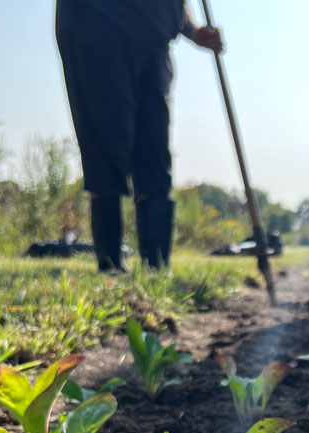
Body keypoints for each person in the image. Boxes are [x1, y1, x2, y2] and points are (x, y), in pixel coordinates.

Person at [55, 0, 223, 271]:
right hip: (97, 22)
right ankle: (110, 265)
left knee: (155, 149)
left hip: (154, 36)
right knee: (106, 140)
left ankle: (155, 267)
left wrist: (192, 29)